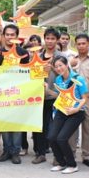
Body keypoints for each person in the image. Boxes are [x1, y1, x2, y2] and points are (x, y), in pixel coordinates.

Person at [0, 24, 29, 164]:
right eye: (7, 34)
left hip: (18, 92)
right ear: (3, 36)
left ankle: (15, 151)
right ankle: (6, 150)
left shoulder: (23, 53)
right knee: (4, 123)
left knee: (16, 124)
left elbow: (27, 72)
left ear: (17, 36)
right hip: (2, 93)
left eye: (12, 35)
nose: (10, 37)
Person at [47, 56, 87, 174]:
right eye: (56, 66)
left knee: (62, 138)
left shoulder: (78, 78)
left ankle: (72, 165)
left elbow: (85, 98)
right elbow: (60, 96)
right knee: (51, 137)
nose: (59, 68)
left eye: (61, 65)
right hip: (62, 111)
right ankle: (61, 163)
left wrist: (76, 109)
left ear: (66, 65)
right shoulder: (58, 79)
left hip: (76, 113)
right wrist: (48, 90)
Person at [32, 28, 62, 164]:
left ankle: (58, 155)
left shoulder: (61, 57)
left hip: (56, 95)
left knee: (56, 126)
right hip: (39, 96)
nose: (50, 41)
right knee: (40, 125)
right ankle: (40, 152)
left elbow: (66, 75)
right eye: (47, 38)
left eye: (52, 38)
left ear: (57, 40)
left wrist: (54, 70)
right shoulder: (37, 55)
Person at [70, 34, 89, 168]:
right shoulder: (70, 60)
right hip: (73, 99)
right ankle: (71, 154)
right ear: (76, 45)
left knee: (88, 128)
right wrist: (70, 66)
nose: (81, 46)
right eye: (78, 44)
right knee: (72, 128)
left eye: (83, 43)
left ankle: (87, 156)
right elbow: (63, 75)